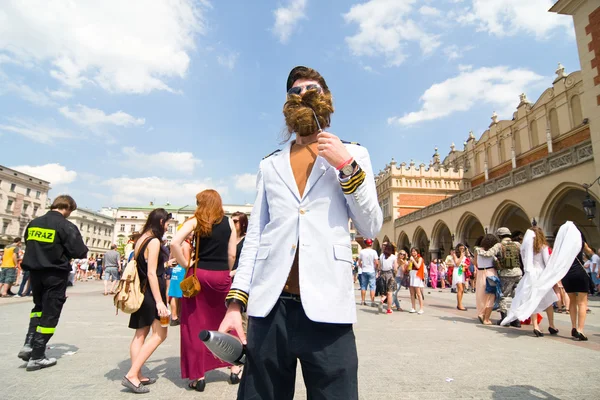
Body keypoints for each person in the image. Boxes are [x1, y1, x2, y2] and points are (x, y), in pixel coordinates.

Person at [218, 66, 382, 399]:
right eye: (295, 90)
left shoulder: (353, 154)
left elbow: (370, 226)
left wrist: (346, 165)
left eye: (312, 88)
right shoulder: (270, 164)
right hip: (270, 308)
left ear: (327, 99)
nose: (303, 93)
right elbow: (256, 239)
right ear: (287, 105)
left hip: (327, 309)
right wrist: (235, 304)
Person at [171, 190, 241, 391]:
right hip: (221, 276)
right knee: (227, 320)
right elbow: (231, 253)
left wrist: (185, 263)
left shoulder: (196, 221)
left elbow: (175, 242)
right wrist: (227, 272)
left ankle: (198, 375)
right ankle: (235, 367)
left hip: (198, 274)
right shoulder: (229, 223)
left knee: (194, 324)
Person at [17, 195, 88, 371]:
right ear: (69, 208)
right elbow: (79, 251)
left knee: (38, 308)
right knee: (50, 312)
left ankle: (28, 344)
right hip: (55, 274)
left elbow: (29, 243)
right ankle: (38, 356)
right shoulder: (65, 225)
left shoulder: (34, 223)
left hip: (35, 273)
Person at [122, 208, 171, 393]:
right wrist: (160, 302)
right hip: (152, 293)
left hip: (141, 291)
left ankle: (138, 374)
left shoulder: (141, 239)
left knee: (140, 334)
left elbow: (144, 266)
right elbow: (152, 272)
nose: (167, 227)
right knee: (160, 334)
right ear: (160, 222)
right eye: (166, 223)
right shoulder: (155, 242)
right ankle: (132, 374)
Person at [561, 227, 595, 341]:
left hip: (567, 274)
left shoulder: (563, 245)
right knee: (582, 303)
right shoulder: (580, 242)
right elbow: (590, 252)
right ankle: (580, 330)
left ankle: (573, 327)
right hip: (579, 273)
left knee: (572, 301)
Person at [491, 227, 522, 327]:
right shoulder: (517, 244)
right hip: (518, 273)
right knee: (516, 296)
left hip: (506, 274)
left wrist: (480, 252)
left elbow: (489, 253)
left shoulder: (499, 245)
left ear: (500, 236)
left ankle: (505, 319)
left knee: (504, 296)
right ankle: (516, 320)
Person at [168, 228, 192, 326]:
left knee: (174, 294)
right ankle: (177, 315)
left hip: (175, 270)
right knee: (180, 295)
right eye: (190, 232)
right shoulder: (186, 245)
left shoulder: (176, 245)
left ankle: (174, 316)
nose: (192, 233)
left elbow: (171, 258)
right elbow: (187, 262)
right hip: (182, 270)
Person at [474, 234, 500, 325]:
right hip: (491, 273)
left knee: (481, 295)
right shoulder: (493, 251)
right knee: (490, 296)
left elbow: (475, 263)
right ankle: (486, 319)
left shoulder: (477, 251)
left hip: (481, 273)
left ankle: (481, 313)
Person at [358, 239, 379, 306]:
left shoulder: (362, 252)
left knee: (363, 286)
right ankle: (372, 302)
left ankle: (363, 301)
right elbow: (376, 262)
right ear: (371, 244)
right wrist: (375, 268)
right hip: (371, 270)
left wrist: (362, 267)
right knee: (372, 286)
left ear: (365, 244)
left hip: (364, 270)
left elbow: (359, 262)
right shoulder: (374, 252)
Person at [379, 243, 398, 314]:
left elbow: (379, 266)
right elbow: (395, 268)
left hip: (383, 274)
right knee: (390, 293)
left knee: (383, 291)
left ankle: (382, 299)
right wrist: (395, 274)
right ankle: (389, 309)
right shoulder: (393, 257)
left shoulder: (381, 256)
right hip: (390, 274)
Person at [452, 243, 470, 311]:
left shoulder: (465, 255)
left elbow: (466, 263)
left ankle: (459, 303)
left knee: (462, 289)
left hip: (462, 271)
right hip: (457, 271)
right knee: (460, 289)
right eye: (461, 248)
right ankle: (460, 305)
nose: (462, 250)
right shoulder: (455, 254)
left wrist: (466, 266)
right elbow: (457, 263)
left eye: (463, 249)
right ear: (458, 248)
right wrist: (462, 256)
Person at [409, 248, 425, 314]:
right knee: (412, 293)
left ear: (417, 252)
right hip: (411, 274)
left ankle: (421, 308)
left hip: (417, 275)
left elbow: (418, 266)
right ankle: (413, 307)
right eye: (412, 251)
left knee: (418, 293)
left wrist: (413, 260)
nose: (413, 252)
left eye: (415, 251)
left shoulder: (420, 258)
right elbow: (409, 267)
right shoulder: (411, 258)